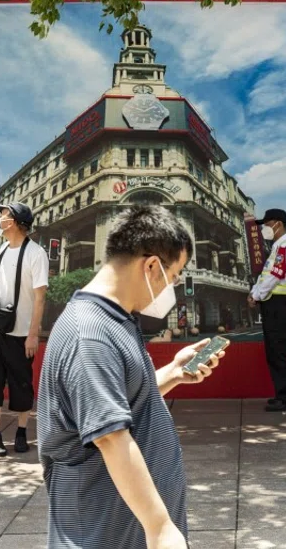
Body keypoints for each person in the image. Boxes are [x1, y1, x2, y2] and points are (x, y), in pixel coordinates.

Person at [37, 205, 225, 549]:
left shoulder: (117, 319)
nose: (176, 285)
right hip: (103, 530)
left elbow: (112, 398)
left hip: (123, 526)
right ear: (152, 266)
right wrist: (159, 526)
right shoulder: (89, 335)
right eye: (176, 274)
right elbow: (110, 436)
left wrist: (172, 373)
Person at [0, 202, 49, 457]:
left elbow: (40, 298)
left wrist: (33, 334)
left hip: (20, 333)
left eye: (4, 215)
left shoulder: (36, 253)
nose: (0, 219)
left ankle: (21, 432)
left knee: (22, 384)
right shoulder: (1, 250)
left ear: (17, 222)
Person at [248, 209, 286, 412]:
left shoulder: (284, 247)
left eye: (267, 224)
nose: (264, 228)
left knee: (278, 351)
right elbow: (268, 275)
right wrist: (256, 291)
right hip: (274, 303)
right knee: (275, 351)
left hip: (277, 305)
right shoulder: (279, 246)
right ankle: (283, 394)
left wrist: (255, 295)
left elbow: (275, 275)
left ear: (278, 224)